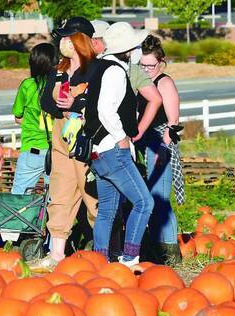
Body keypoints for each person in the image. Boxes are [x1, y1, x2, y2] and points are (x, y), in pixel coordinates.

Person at [66, 20, 164, 261]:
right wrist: (121, 138)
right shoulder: (116, 72)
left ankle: (101, 259)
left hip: (98, 151)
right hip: (112, 149)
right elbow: (105, 110)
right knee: (144, 203)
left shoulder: (99, 67)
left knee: (107, 211)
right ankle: (130, 257)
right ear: (129, 49)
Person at [33, 17, 100, 269]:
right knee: (60, 194)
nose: (62, 42)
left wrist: (77, 104)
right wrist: (60, 106)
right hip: (61, 142)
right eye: (61, 38)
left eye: (67, 38)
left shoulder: (95, 70)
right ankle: (56, 253)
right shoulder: (58, 70)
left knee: (93, 196)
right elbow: (45, 102)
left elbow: (100, 103)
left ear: (80, 40)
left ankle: (107, 251)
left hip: (86, 142)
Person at [136, 35, 184, 264]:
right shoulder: (140, 81)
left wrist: (163, 149)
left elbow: (172, 122)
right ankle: (154, 245)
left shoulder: (164, 83)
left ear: (161, 62)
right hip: (141, 142)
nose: (146, 69)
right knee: (146, 198)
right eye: (142, 64)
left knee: (160, 197)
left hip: (159, 144)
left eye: (150, 65)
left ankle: (170, 251)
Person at [10, 43, 58, 194]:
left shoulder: (28, 86)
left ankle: (22, 219)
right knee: (55, 200)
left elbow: (18, 117)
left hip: (33, 150)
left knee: (19, 197)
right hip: (56, 151)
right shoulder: (59, 85)